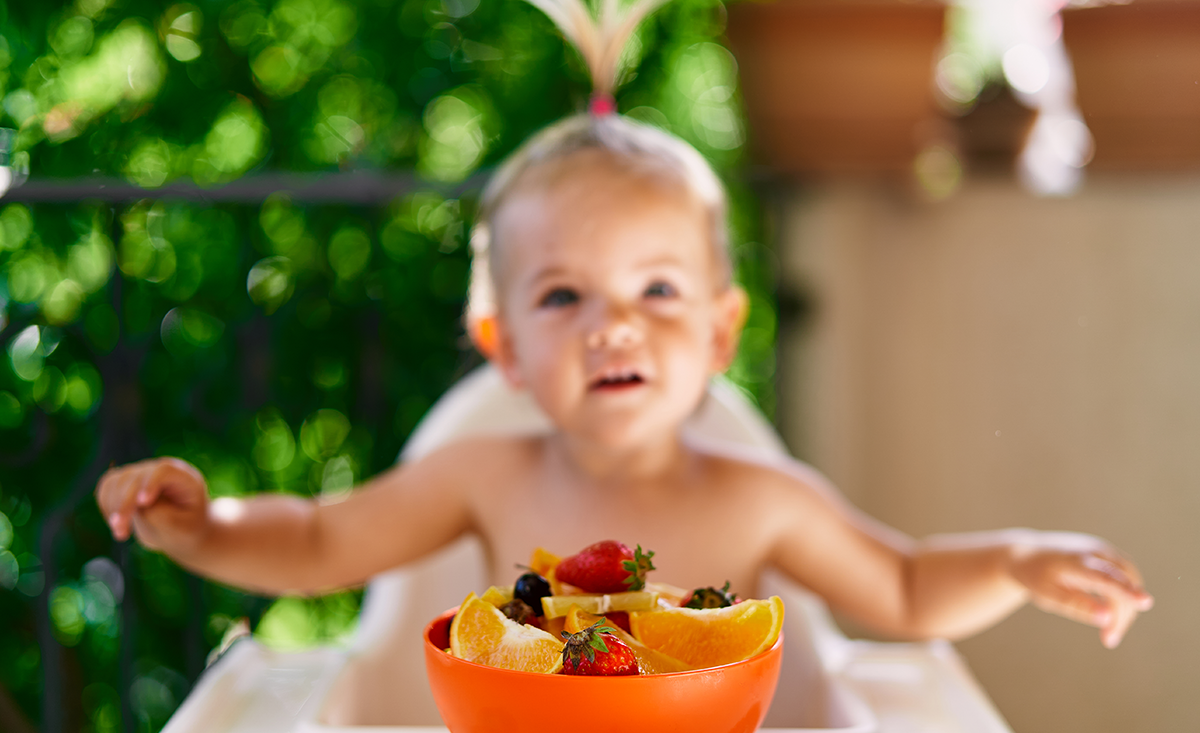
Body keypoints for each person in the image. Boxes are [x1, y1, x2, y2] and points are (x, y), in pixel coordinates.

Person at [95, 0, 1152, 650]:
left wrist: (1016, 561)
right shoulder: (485, 478)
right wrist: (203, 522)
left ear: (721, 334)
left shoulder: (758, 501)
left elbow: (908, 587)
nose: (615, 329)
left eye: (657, 292)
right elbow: (323, 541)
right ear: (501, 343)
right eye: (564, 297)